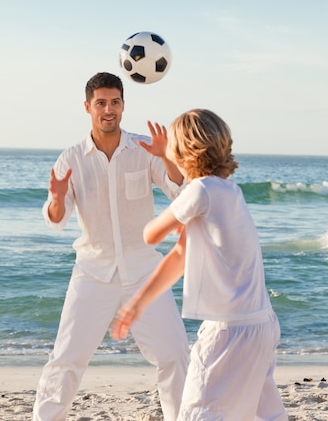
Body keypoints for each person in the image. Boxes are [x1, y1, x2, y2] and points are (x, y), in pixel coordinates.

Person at [111, 109, 287, 420]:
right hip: (262, 323)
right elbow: (180, 256)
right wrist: (138, 302)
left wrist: (174, 208)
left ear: (183, 151)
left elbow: (150, 235)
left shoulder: (200, 191)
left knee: (199, 412)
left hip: (227, 330)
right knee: (262, 413)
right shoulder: (231, 192)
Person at [33, 72, 189, 421]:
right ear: (87, 107)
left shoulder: (145, 150)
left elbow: (179, 191)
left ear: (123, 105)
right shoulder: (70, 159)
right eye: (101, 103)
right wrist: (57, 198)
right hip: (92, 274)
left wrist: (166, 157)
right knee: (66, 360)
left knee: (174, 355)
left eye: (114, 102)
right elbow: (56, 219)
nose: (108, 110)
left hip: (144, 273)